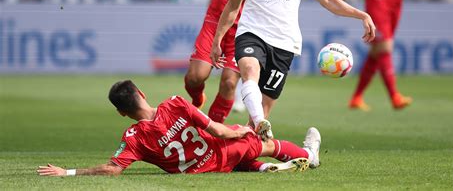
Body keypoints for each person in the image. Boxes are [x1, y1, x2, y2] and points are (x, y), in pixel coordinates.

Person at [210, 0, 376, 141]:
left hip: (284, 44)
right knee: (249, 70)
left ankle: (252, 135)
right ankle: (260, 122)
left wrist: (361, 15)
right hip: (252, 33)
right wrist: (217, 39)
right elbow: (232, 7)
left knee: (259, 116)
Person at [37, 80, 321, 176]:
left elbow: (113, 169)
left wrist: (68, 172)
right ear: (142, 93)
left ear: (122, 113)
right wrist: (243, 131)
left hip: (199, 169)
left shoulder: (133, 136)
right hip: (219, 153)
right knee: (262, 142)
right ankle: (309, 155)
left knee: (240, 154)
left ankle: (257, 168)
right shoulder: (175, 103)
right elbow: (218, 131)